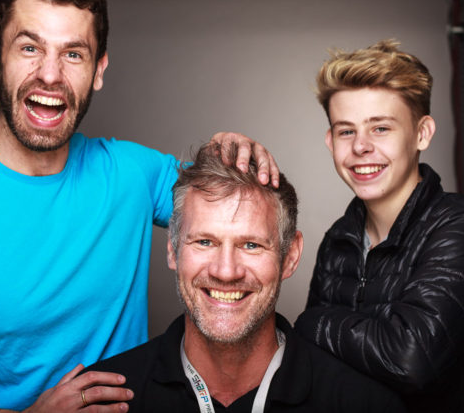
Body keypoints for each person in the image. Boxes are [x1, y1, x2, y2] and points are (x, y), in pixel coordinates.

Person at [0, 0, 279, 413]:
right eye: (29, 48)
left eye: (73, 55)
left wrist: (230, 150)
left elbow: (229, 203)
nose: (50, 75)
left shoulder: (134, 174)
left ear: (98, 70)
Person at [84, 142, 407, 412]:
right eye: (205, 242)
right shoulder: (100, 400)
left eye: (251, 245)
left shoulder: (363, 404)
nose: (226, 271)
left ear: (290, 256)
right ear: (172, 250)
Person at [294, 40, 464, 413]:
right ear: (330, 141)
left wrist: (312, 321)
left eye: (381, 128)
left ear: (422, 134)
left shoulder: (463, 229)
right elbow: (310, 370)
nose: (360, 147)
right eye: (346, 131)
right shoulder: (338, 239)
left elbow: (411, 359)